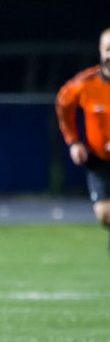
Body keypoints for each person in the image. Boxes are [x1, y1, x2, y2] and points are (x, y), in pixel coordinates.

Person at [56, 27, 110, 250]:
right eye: (108, 49)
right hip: (99, 159)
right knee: (104, 214)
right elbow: (62, 104)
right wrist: (73, 141)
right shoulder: (86, 83)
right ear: (100, 51)